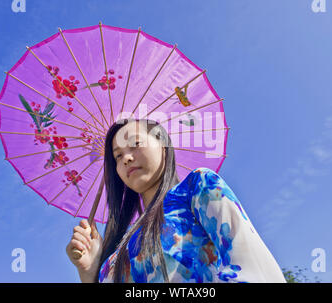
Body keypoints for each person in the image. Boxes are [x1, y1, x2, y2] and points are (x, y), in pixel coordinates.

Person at [66, 118, 286, 283]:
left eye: (134, 144)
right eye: (117, 156)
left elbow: (254, 267)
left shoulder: (197, 186)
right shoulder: (118, 246)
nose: (127, 158)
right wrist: (90, 272)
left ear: (163, 145)